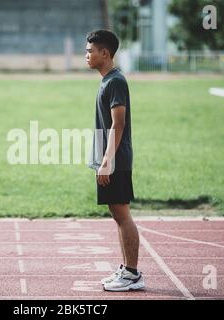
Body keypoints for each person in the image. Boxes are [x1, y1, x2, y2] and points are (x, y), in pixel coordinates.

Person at [85, 30, 144, 292]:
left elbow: (117, 125)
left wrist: (107, 160)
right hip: (110, 157)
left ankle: (132, 273)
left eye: (90, 51)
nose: (86, 55)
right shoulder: (108, 80)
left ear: (104, 53)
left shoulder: (115, 82)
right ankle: (126, 269)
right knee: (117, 214)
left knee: (122, 214)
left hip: (115, 158)